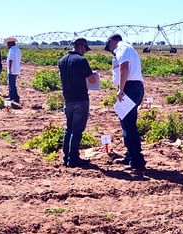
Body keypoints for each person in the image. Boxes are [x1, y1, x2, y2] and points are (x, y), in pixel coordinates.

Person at [104, 34, 146, 172]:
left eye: (109, 46)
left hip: (130, 88)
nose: (110, 50)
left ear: (112, 41)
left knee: (128, 125)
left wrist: (121, 89)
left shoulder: (121, 48)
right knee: (127, 123)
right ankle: (130, 155)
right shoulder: (129, 49)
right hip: (134, 87)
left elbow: (124, 67)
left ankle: (136, 160)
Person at [58, 37, 98, 167]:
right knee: (77, 130)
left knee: (68, 129)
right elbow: (92, 81)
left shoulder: (62, 60)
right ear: (81, 46)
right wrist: (93, 74)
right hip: (80, 99)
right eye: (85, 49)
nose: (85, 52)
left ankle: (66, 157)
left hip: (68, 99)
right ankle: (73, 158)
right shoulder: (81, 60)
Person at [5, 37, 22, 104]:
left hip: (12, 70)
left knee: (11, 84)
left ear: (10, 43)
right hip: (16, 69)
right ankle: (14, 97)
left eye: (7, 44)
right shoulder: (18, 49)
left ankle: (14, 97)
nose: (7, 45)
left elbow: (10, 60)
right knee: (12, 84)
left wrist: (9, 68)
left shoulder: (11, 50)